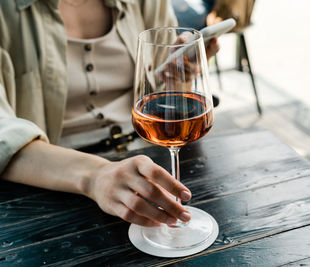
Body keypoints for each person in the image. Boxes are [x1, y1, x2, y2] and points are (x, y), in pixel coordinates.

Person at [0, 0, 219, 227]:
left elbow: (163, 96)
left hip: (154, 162)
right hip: (57, 184)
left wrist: (179, 78)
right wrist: (96, 175)